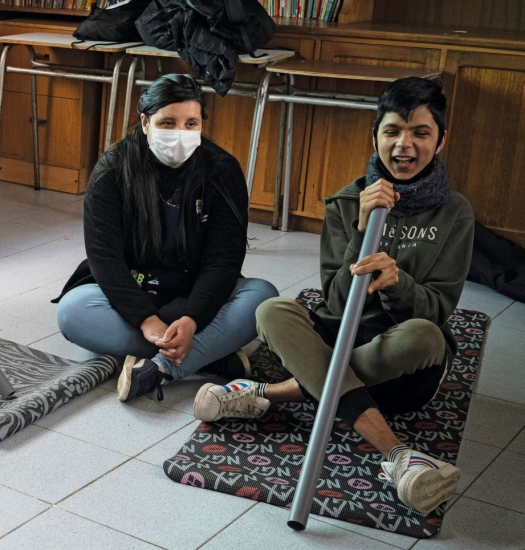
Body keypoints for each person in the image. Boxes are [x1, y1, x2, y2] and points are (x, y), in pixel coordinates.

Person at [193, 77, 472, 514]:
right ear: (375, 134)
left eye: (421, 133)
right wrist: (362, 231)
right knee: (272, 310)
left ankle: (271, 393)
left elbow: (439, 310)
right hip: (338, 335)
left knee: (426, 336)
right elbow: (338, 304)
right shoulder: (346, 202)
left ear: (441, 141)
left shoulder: (455, 212)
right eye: (392, 131)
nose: (404, 145)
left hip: (400, 367)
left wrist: (399, 284)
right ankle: (400, 456)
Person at [54, 74, 279, 403]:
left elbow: (224, 260)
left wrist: (192, 319)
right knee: (72, 312)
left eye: (191, 124)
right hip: (134, 293)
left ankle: (161, 366)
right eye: (168, 122)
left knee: (263, 298)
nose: (180, 134)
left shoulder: (222, 170)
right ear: (145, 123)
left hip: (195, 295)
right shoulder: (112, 171)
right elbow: (105, 258)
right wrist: (146, 320)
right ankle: (211, 354)